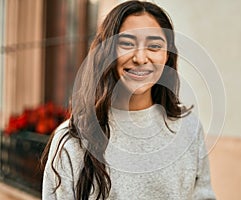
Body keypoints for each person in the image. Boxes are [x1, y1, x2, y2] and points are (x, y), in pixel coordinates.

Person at [41, 1, 216, 199]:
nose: (141, 58)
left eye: (154, 46)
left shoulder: (189, 130)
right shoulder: (72, 139)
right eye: (127, 44)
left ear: (167, 55)